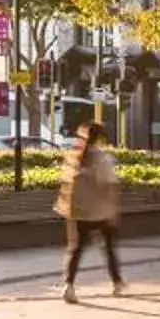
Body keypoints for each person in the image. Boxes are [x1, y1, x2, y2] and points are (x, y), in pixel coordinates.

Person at [57, 121, 124, 301]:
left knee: (75, 249)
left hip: (78, 212)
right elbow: (110, 185)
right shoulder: (102, 158)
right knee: (109, 247)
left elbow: (65, 184)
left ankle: (68, 286)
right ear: (100, 138)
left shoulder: (73, 157)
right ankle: (117, 283)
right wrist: (114, 209)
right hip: (100, 211)